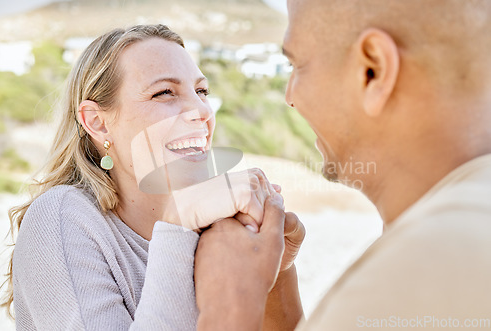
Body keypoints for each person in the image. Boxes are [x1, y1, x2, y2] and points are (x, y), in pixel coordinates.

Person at [194, 0, 491, 329]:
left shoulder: (422, 268)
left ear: (372, 71)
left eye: (297, 65)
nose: (290, 96)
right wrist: (275, 279)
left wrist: (229, 304)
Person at [0, 24, 279, 330]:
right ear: (98, 123)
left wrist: (279, 268)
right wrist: (176, 224)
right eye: (164, 93)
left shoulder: (217, 233)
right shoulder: (61, 217)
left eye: (201, 91)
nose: (201, 110)